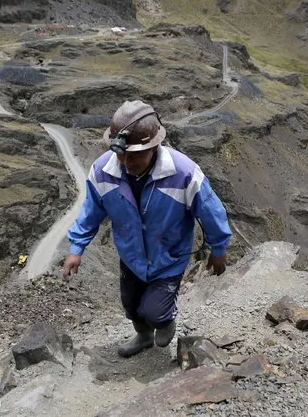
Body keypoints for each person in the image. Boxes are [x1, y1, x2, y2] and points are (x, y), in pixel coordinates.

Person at [62, 100, 232, 358]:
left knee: (154, 310)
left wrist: (218, 248)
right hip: (131, 256)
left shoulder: (184, 173)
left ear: (154, 146)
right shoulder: (103, 171)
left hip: (168, 257)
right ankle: (143, 336)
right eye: (122, 154)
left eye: (136, 155)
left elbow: (211, 210)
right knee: (130, 304)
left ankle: (164, 321)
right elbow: (91, 211)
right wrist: (77, 248)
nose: (127, 162)